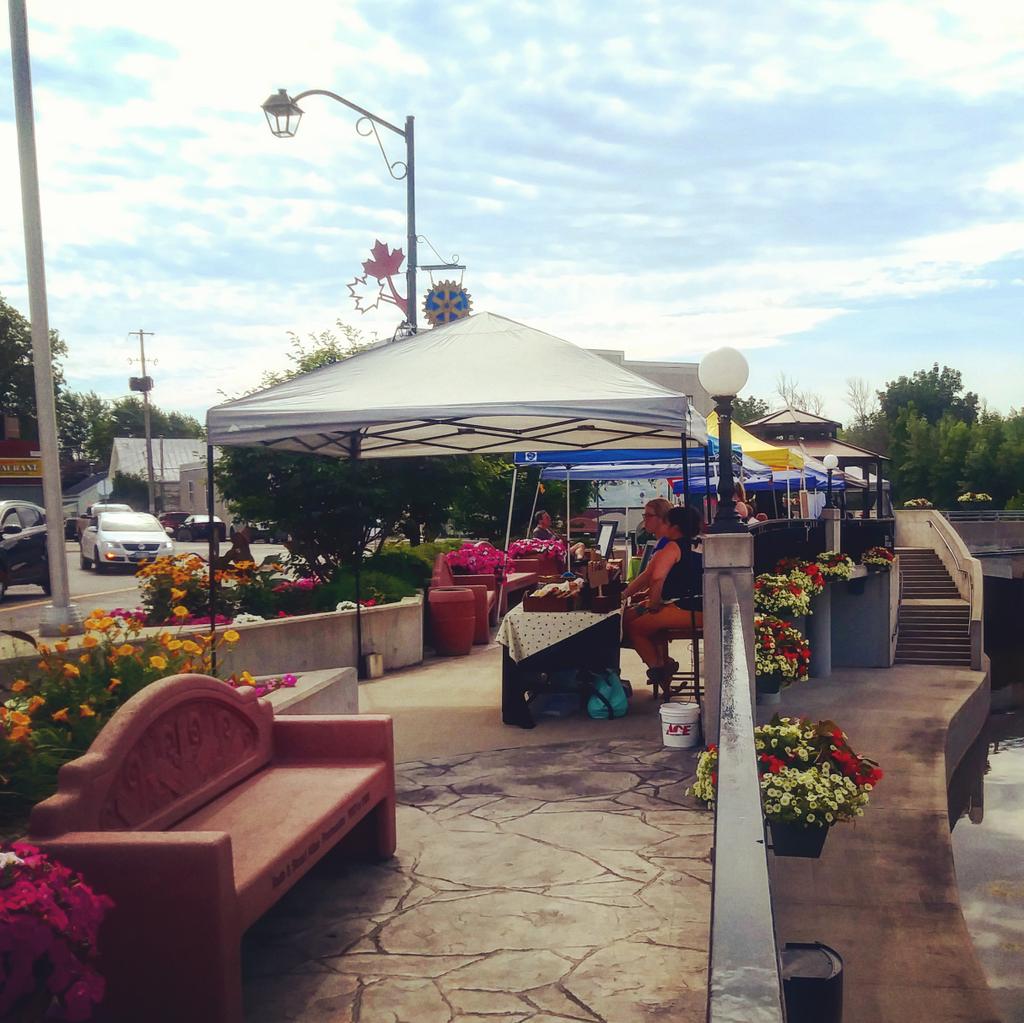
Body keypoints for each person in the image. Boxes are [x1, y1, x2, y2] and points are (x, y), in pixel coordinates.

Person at [623, 505, 704, 700]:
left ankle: (659, 668)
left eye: (666, 522)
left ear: (675, 527)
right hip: (701, 605)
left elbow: (657, 578)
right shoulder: (700, 544)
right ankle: (662, 663)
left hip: (686, 607)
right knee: (638, 622)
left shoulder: (673, 546)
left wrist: (652, 604)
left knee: (635, 628)